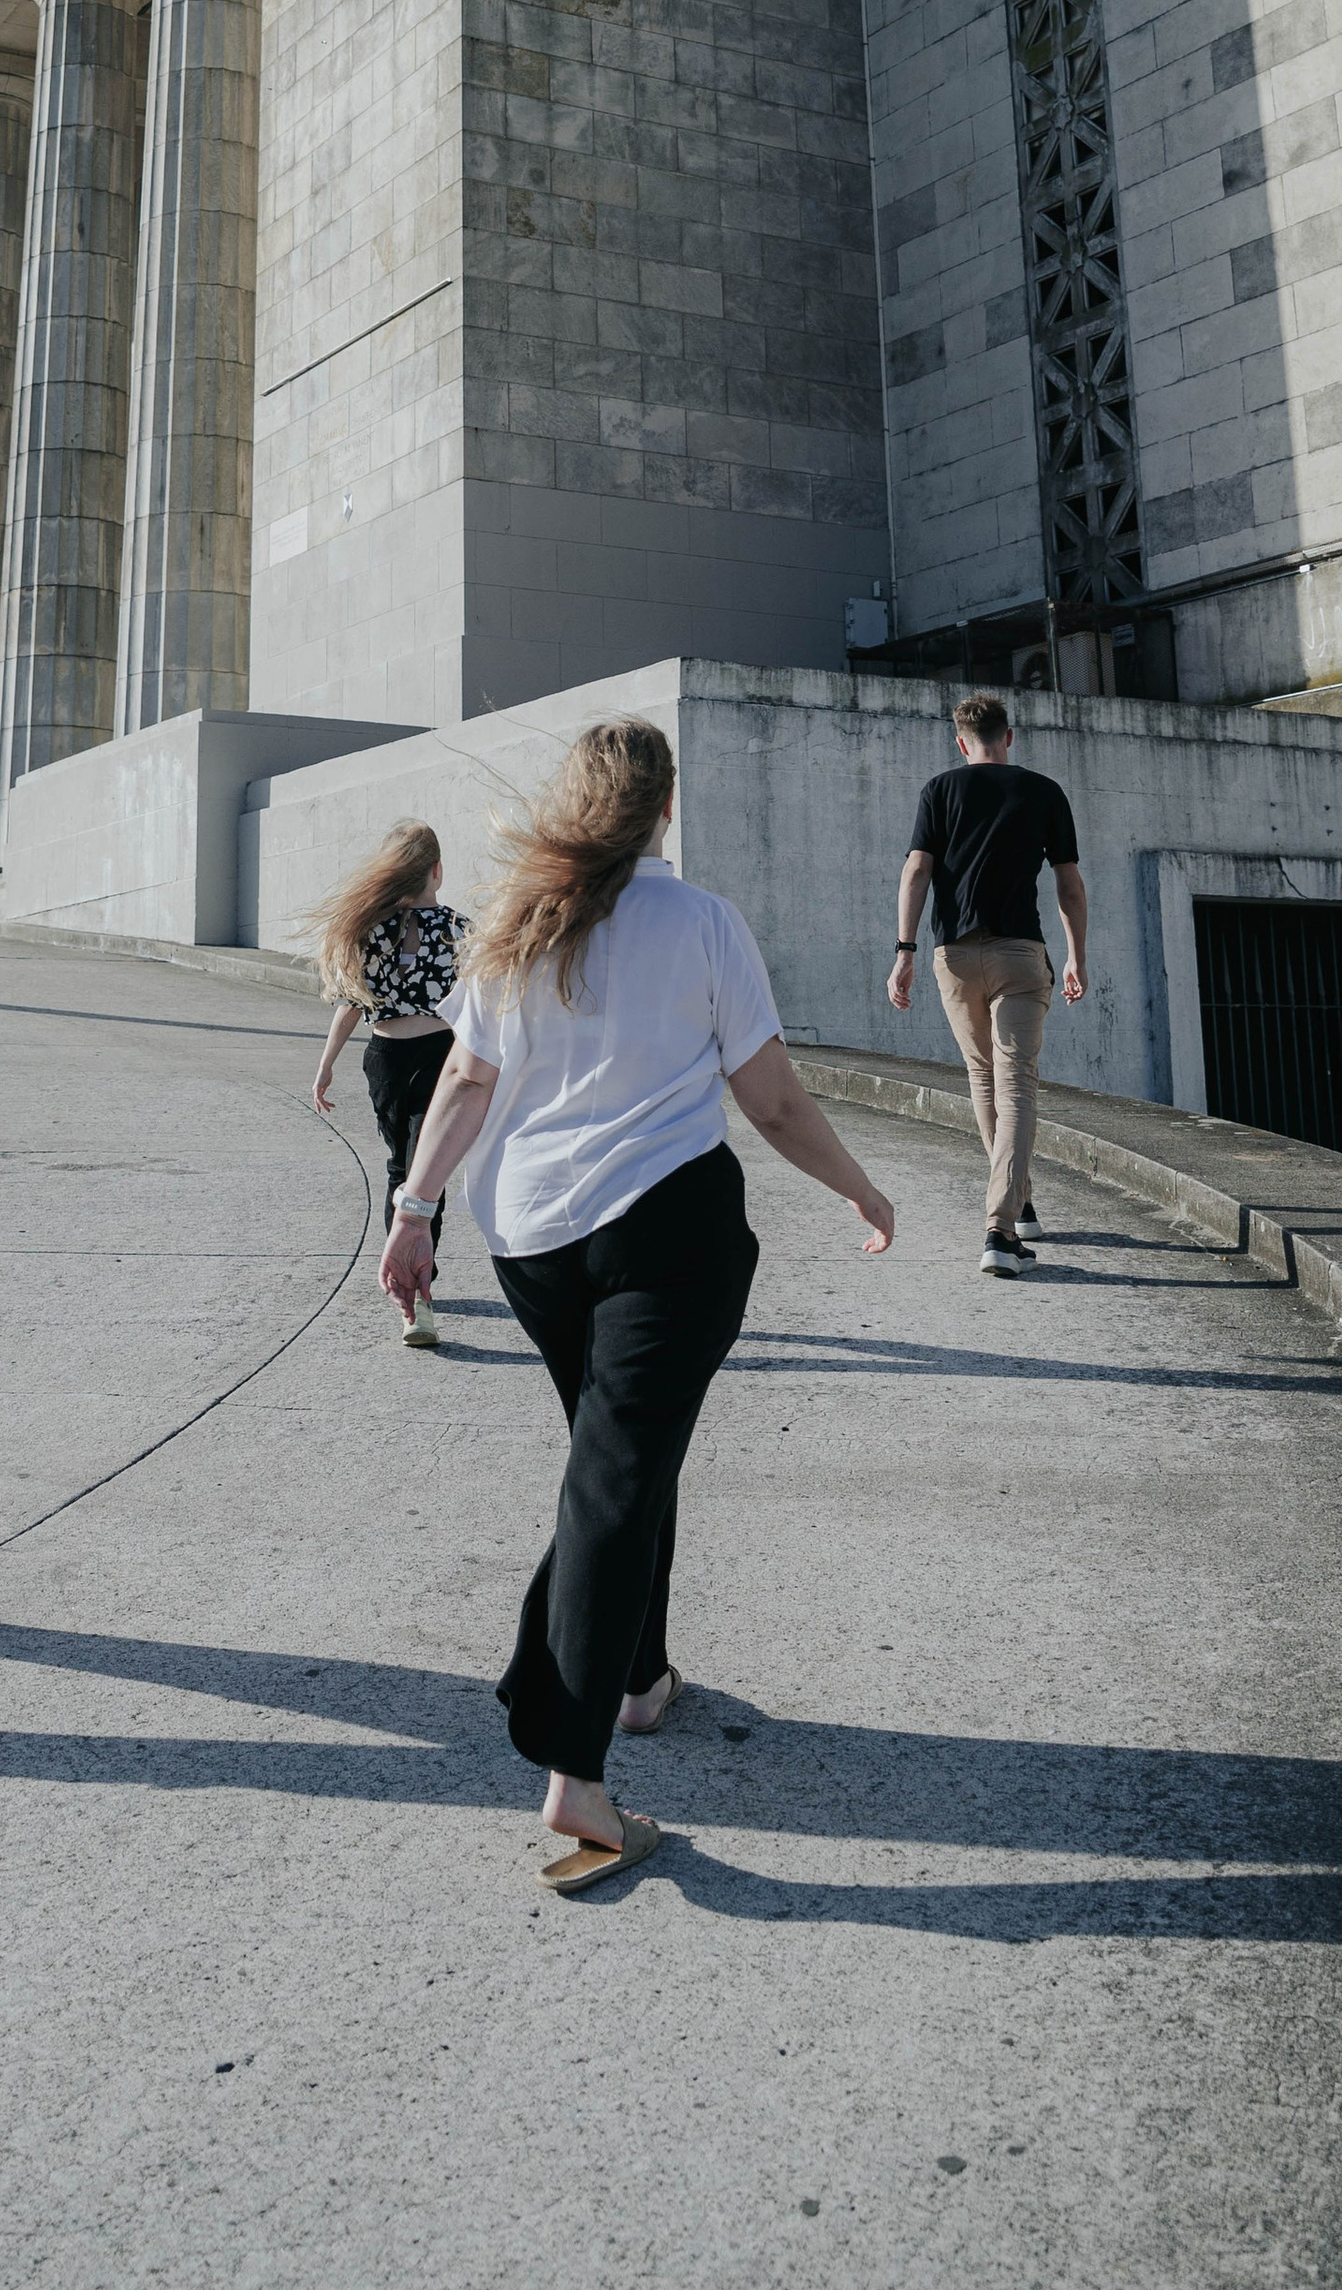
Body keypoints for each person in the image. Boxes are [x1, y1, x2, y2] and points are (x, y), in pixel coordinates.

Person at [377, 719, 894, 1894]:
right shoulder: (701, 921)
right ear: (665, 809)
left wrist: (414, 1209)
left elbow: (465, 1078)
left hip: (534, 1242)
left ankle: (640, 1678)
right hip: (667, 1235)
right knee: (612, 1477)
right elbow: (768, 1097)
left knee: (619, 1455)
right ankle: (575, 1771)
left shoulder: (519, 922)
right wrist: (861, 1188)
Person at [885, 689, 1088, 1279]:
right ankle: (1000, 1230)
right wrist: (1076, 957)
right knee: (1017, 1082)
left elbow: (916, 870)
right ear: (1010, 737)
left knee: (984, 1077)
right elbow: (1069, 885)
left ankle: (1017, 1199)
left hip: (953, 956)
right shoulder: (1044, 790)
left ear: (961, 742)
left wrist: (904, 952)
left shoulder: (939, 790)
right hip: (1019, 953)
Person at [311, 821, 468, 1351]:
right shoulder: (460, 929)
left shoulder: (370, 930)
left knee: (411, 1167)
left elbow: (350, 1005)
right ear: (437, 871)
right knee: (419, 1170)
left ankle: (414, 1288)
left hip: (383, 1058)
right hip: (436, 1056)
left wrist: (327, 1063)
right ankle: (410, 1272)